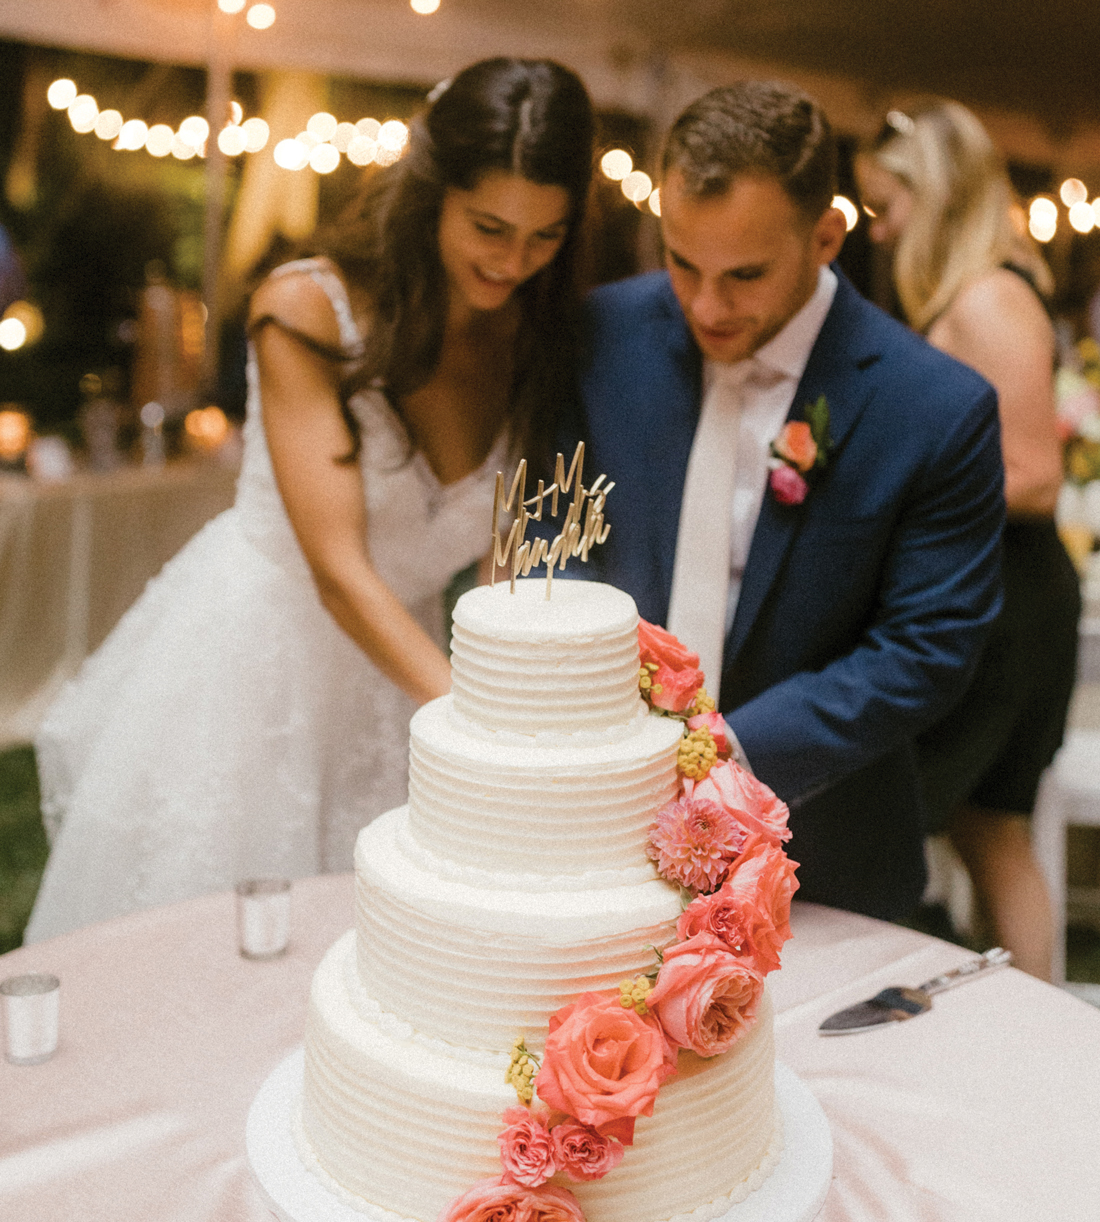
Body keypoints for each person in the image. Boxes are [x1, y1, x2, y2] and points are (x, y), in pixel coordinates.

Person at [25, 58, 595, 943]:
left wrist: (506, 691)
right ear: (432, 191)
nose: (513, 261)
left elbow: (502, 563)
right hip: (261, 664)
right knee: (222, 944)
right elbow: (338, 570)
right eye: (489, 227)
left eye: (544, 236)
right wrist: (472, 722)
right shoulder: (309, 308)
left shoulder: (532, 334)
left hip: (406, 667)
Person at [557, 80, 1005, 924]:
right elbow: (560, 528)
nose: (706, 305)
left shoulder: (935, 409)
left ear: (827, 235)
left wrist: (727, 753)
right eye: (683, 262)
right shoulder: (602, 335)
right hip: (594, 836)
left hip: (821, 856)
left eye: (746, 275)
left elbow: (926, 648)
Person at [857, 101, 1080, 978]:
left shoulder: (989, 296)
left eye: (887, 206)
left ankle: (1016, 1024)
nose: (879, 229)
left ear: (937, 193)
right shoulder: (975, 291)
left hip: (1005, 605)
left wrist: (890, 501)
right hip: (1000, 594)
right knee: (990, 830)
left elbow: (1035, 475)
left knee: (936, 822)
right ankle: (1029, 1026)